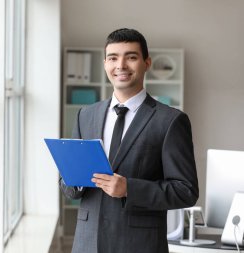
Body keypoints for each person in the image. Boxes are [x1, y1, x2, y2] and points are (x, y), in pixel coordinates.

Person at [59, 28, 199, 253]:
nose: (121, 65)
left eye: (131, 57)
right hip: (87, 244)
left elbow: (186, 191)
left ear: (147, 62)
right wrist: (74, 179)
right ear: (105, 63)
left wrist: (129, 189)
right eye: (113, 58)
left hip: (139, 245)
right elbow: (67, 186)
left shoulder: (171, 121)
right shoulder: (85, 114)